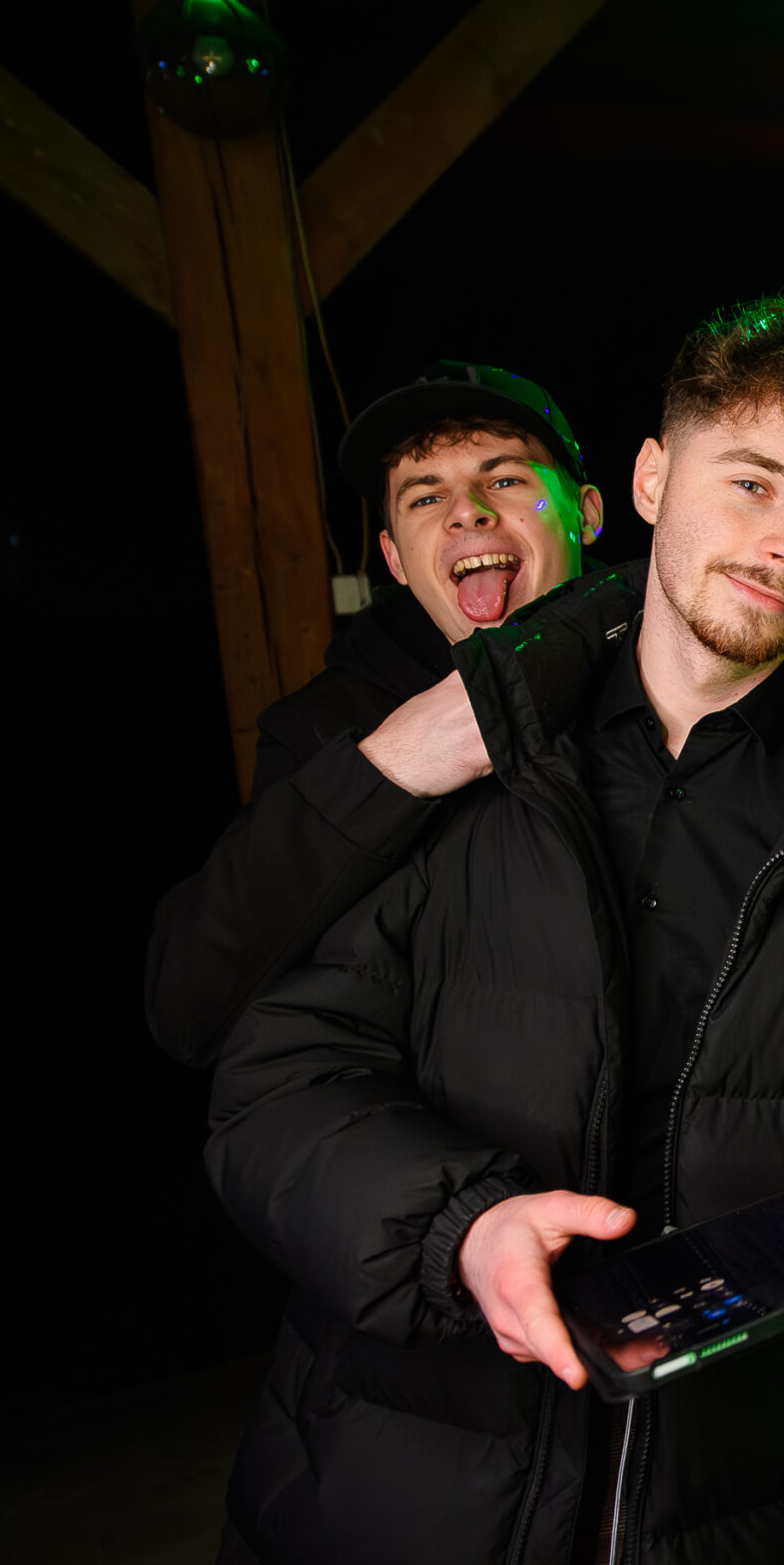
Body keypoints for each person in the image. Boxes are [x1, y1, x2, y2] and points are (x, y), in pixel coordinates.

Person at [203, 301, 784, 1565]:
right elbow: (276, 1083)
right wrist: (458, 1230)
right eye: (750, 481)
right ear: (651, 481)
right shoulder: (454, 761)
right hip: (402, 1496)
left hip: (749, 1514)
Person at [146, 362, 602, 1065]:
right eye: (427, 497)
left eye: (506, 480)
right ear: (394, 557)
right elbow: (185, 1006)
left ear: (588, 514)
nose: (467, 511)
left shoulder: (673, 682)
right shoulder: (323, 727)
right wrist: (390, 769)